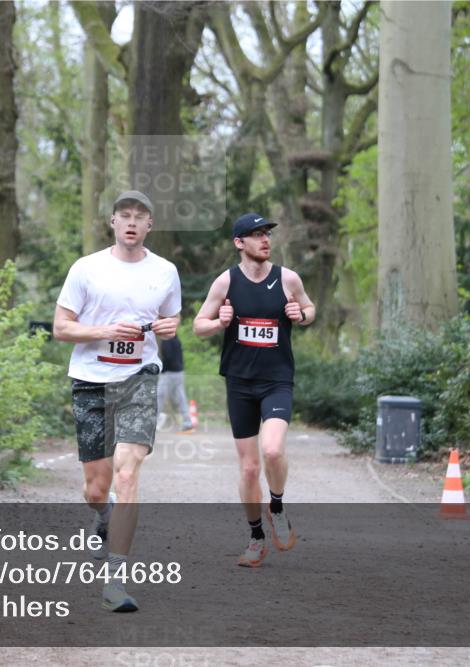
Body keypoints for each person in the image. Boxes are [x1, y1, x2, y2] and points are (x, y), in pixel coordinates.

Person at [53, 190, 181, 611]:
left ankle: (115, 580)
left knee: (128, 474)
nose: (131, 222)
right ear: (112, 222)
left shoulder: (165, 271)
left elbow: (171, 320)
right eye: (124, 215)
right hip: (90, 381)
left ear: (149, 226)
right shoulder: (86, 269)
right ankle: (102, 515)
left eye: (139, 217)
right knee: (97, 489)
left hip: (139, 379)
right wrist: (106, 331)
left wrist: (167, 327)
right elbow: (61, 328)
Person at [192, 213, 315, 567]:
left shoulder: (287, 278)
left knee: (273, 451)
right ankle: (256, 537)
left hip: (277, 380)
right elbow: (200, 325)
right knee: (248, 469)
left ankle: (276, 506)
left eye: (267, 235)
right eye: (256, 235)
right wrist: (220, 322)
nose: (265, 240)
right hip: (239, 383)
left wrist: (300, 315)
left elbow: (309, 308)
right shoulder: (225, 282)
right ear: (239, 242)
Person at [157, 334, 194, 434]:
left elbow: (168, 357)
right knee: (180, 397)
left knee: (159, 396)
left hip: (169, 373)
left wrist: (161, 368)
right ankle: (187, 422)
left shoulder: (167, 339)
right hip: (178, 371)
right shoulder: (176, 338)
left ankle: (153, 422)